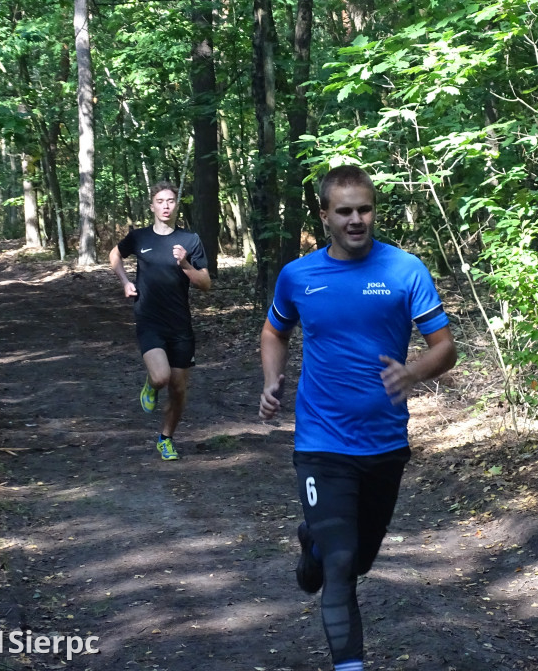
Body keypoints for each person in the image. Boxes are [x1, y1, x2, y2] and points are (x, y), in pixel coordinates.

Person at [259, 165, 457, 671]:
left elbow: (445, 347)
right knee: (344, 564)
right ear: (324, 215)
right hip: (321, 442)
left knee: (358, 559)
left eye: (364, 209)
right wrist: (271, 381)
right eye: (344, 211)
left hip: (385, 442)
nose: (356, 220)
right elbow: (274, 332)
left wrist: (412, 373)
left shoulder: (405, 270)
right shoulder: (298, 275)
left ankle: (315, 547)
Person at [109, 180, 211, 461]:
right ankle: (151, 385)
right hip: (149, 318)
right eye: (160, 201)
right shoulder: (140, 237)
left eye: (170, 201)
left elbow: (206, 283)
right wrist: (125, 282)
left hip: (180, 324)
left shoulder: (190, 240)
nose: (166, 206)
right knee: (161, 377)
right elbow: (115, 254)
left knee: (178, 389)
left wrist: (187, 264)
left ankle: (166, 438)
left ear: (176, 205)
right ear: (152, 205)